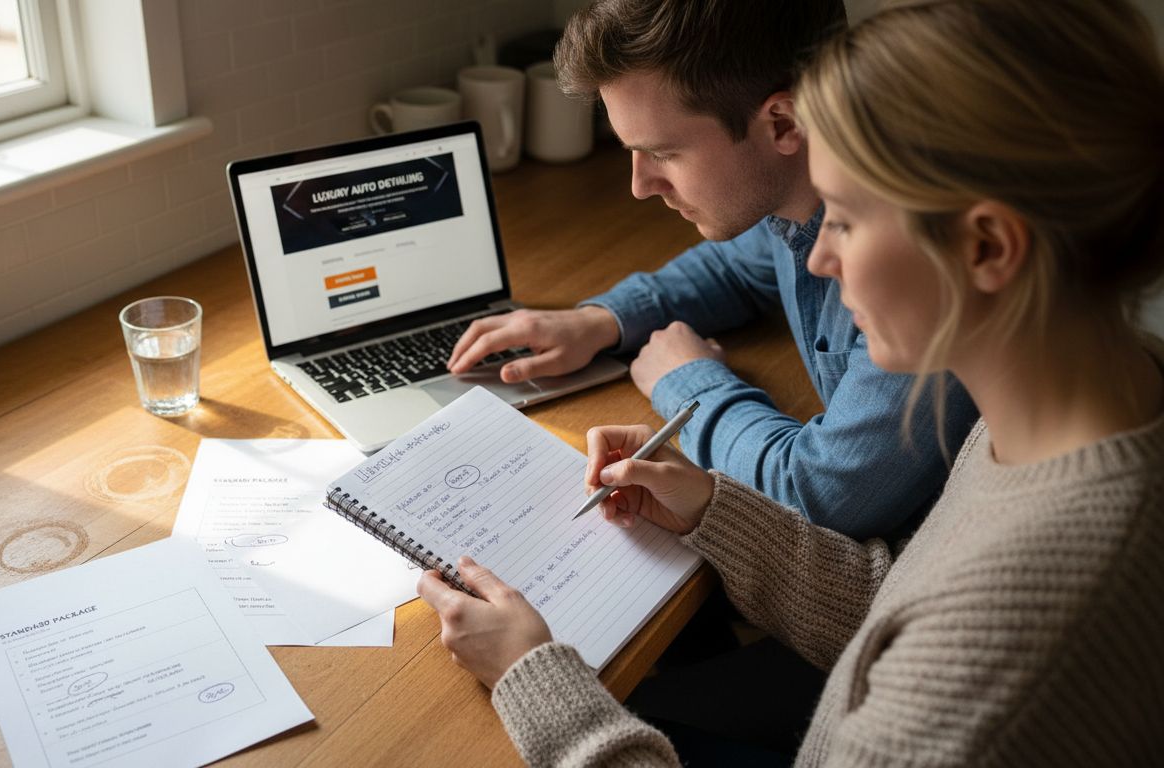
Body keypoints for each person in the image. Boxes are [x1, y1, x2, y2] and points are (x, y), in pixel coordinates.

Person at [419, 0, 1164, 763]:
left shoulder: (994, 672)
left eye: (842, 219)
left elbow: (938, 649)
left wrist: (533, 680)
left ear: (986, 247)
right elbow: (895, 609)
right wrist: (715, 507)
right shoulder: (1059, 412)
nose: (815, 261)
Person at [447, 0, 976, 541]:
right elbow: (737, 266)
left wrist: (689, 384)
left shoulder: (918, 261)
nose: (639, 186)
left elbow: (819, 496)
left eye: (664, 153)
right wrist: (601, 321)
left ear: (783, 122)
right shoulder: (798, 195)